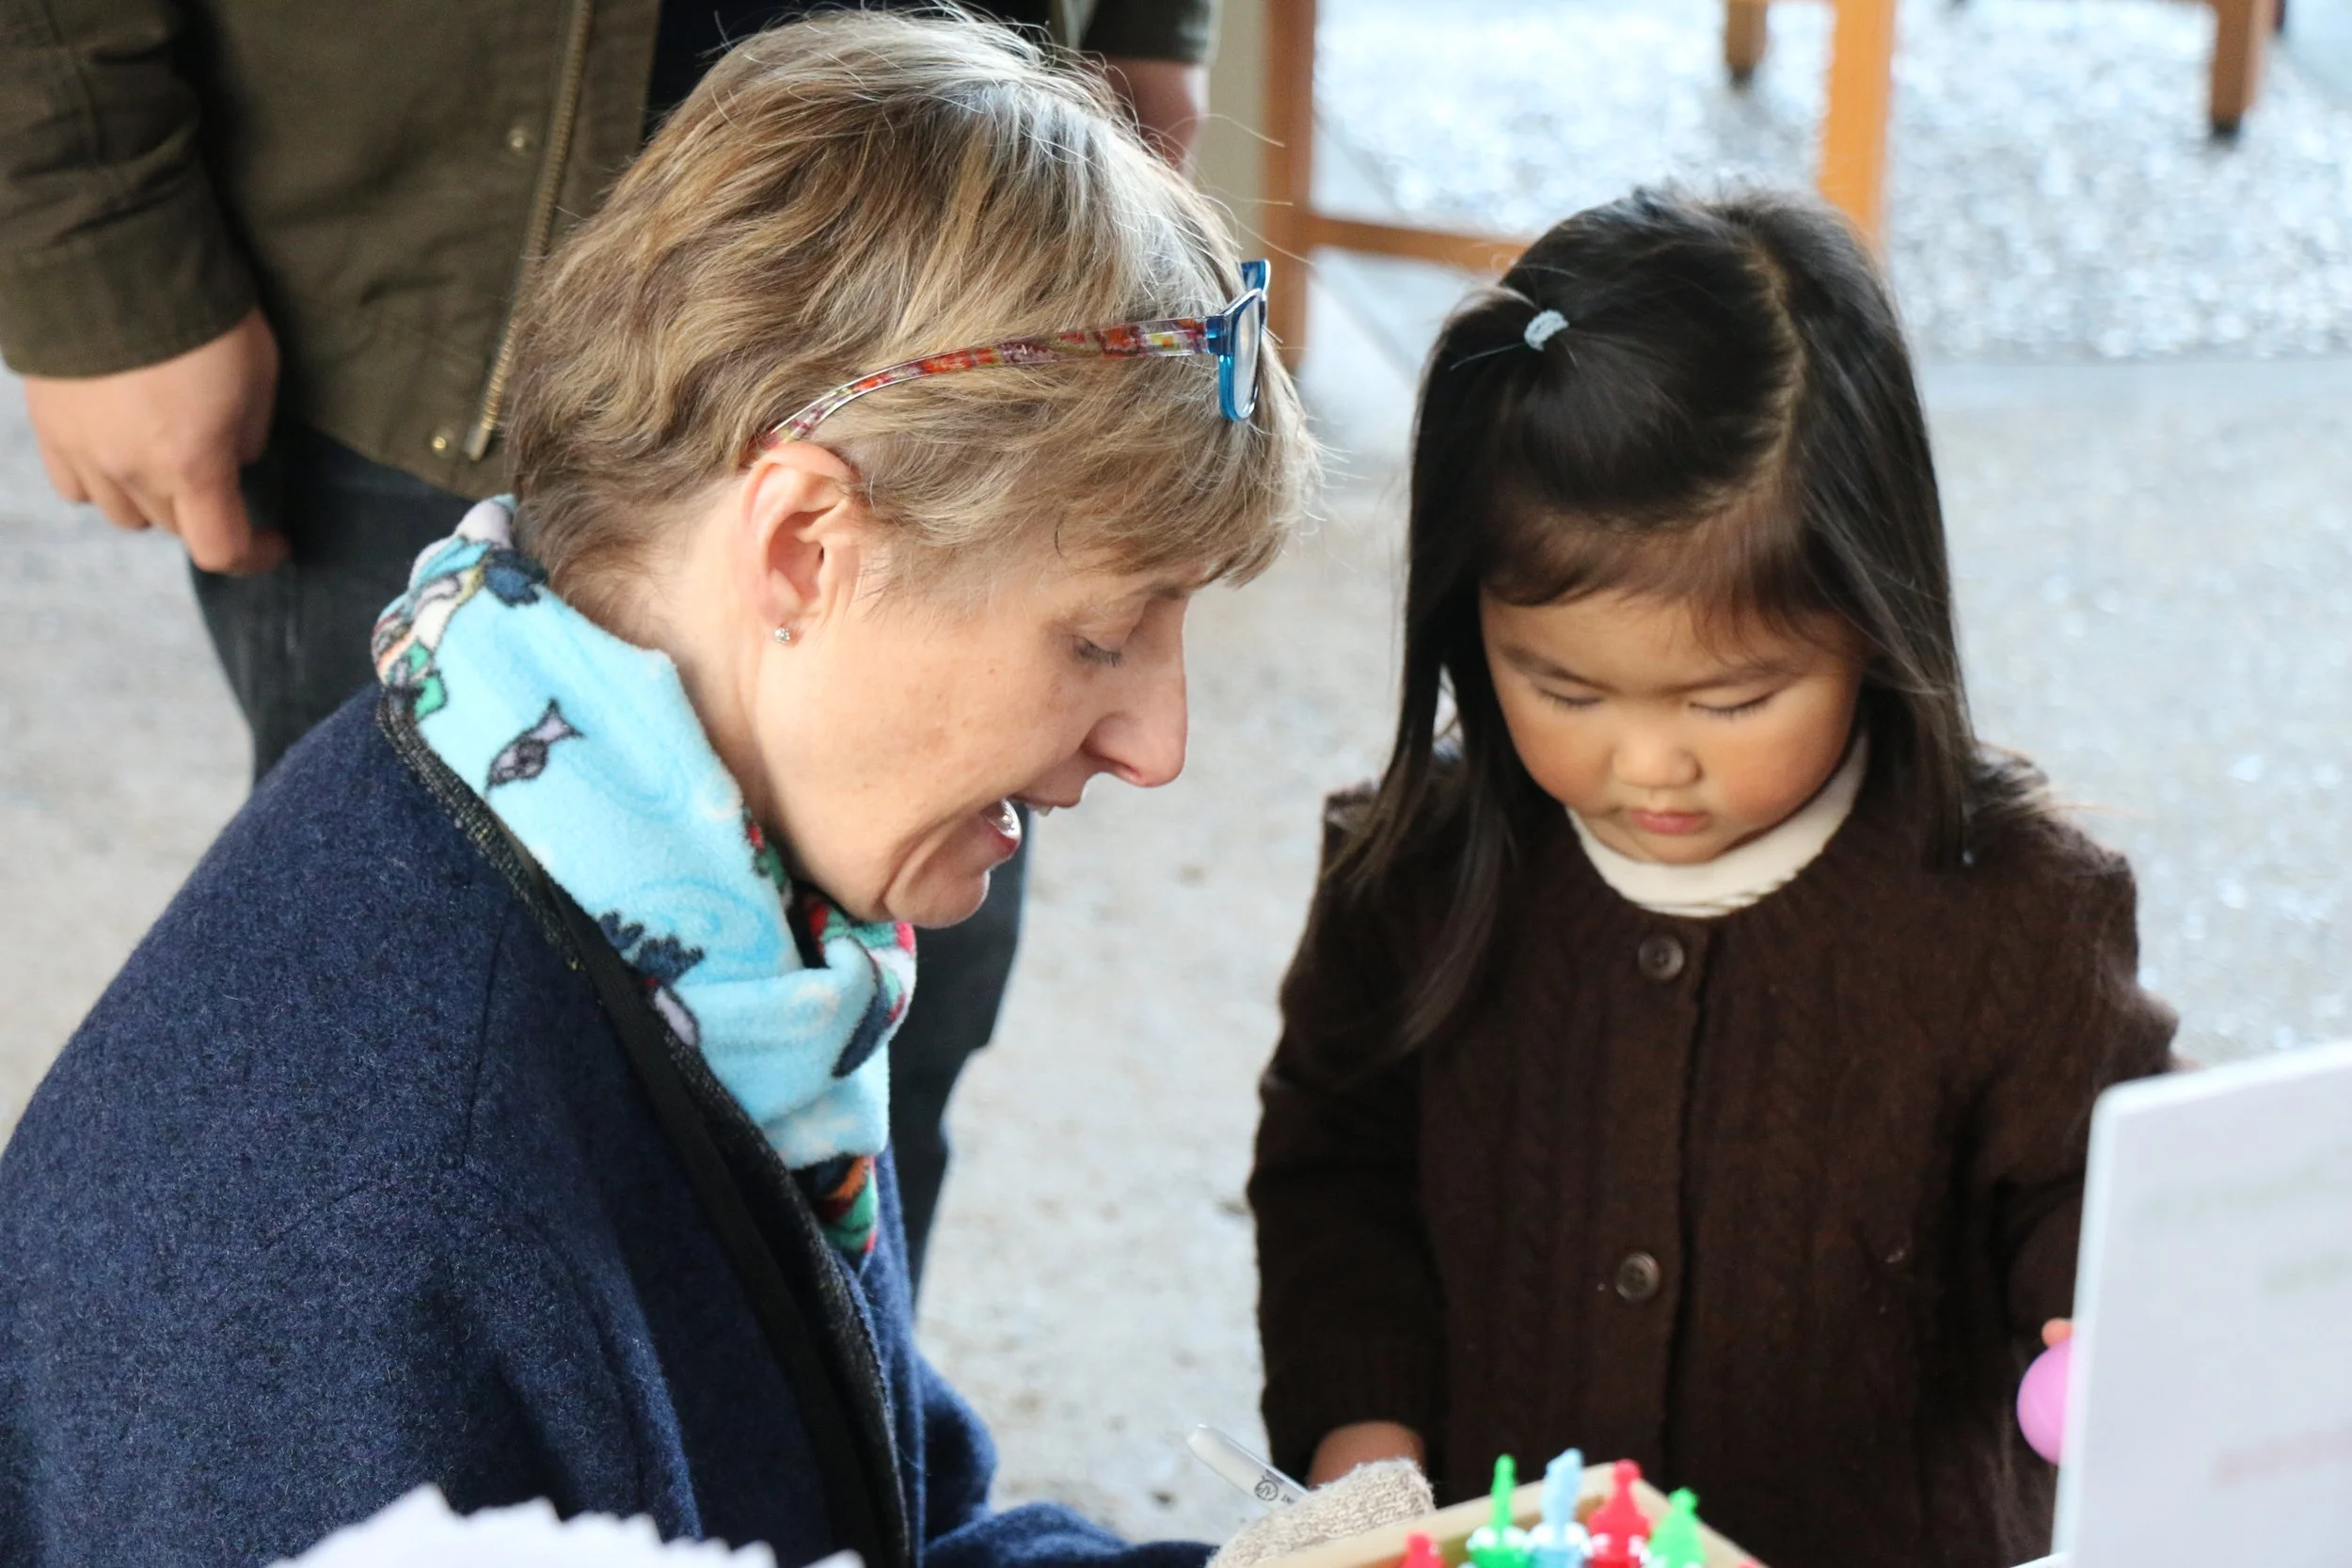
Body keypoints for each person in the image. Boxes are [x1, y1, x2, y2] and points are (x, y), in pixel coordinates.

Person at [0, 16, 1319, 1564]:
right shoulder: (407, 1255)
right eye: (1100, 633)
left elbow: (878, 1509)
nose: (1158, 743)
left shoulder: (703, 913)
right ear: (801, 548)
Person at [1248, 190, 2179, 1568]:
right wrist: (1362, 1440)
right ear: (1467, 619)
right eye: (1558, 684)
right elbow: (1337, 1175)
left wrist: (2105, 1312)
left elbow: (2098, 1185)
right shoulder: (1420, 868)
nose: (1651, 764)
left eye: (1736, 699)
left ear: (1875, 613)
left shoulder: (2015, 912)